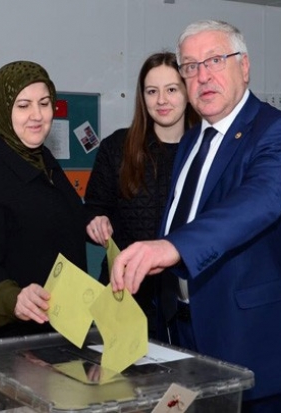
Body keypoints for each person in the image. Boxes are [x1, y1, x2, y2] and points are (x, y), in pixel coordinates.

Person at [110, 20, 281, 412]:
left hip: (249, 336)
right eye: (190, 66)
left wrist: (171, 247)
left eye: (215, 60)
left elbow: (260, 201)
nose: (202, 75)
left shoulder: (278, 130)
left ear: (244, 66)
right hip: (182, 329)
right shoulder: (191, 139)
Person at [0, 61, 87, 344]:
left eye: (44, 103)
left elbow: (60, 217)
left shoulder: (39, 157)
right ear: (1, 109)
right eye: (23, 105)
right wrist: (13, 298)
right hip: (9, 339)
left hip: (59, 325)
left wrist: (93, 221)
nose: (37, 115)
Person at [84, 52, 199, 339]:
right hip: (124, 293)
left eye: (171, 89)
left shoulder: (206, 151)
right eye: (152, 91)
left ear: (188, 92)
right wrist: (95, 221)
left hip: (189, 297)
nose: (161, 100)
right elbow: (93, 208)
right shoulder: (117, 147)